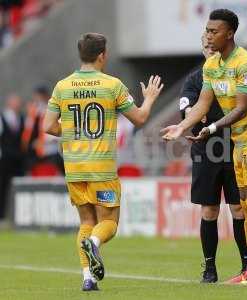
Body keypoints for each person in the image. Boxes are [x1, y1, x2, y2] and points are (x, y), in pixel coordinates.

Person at [162, 9, 247, 284]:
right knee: (245, 203)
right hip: (240, 139)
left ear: (230, 33)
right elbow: (202, 104)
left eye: (214, 31)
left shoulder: (245, 63)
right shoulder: (212, 66)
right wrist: (182, 127)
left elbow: (242, 109)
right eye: (207, 31)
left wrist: (211, 128)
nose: (208, 36)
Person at [43, 32, 164, 291]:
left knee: (86, 222)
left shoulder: (62, 86)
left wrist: (77, 131)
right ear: (102, 55)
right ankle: (95, 244)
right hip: (102, 170)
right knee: (108, 223)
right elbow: (140, 119)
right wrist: (151, 97)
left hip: (74, 168)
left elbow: (49, 126)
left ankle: (88, 278)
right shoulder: (112, 85)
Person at [179, 34, 247, 283]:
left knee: (239, 208)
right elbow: (186, 106)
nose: (210, 49)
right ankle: (210, 268)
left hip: (235, 147)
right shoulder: (196, 78)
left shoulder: (235, 72)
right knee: (209, 210)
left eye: (213, 45)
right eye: (206, 46)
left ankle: (246, 266)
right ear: (202, 49)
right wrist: (190, 113)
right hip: (206, 150)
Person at [0, 94, 25, 221]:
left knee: (19, 187)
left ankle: (17, 216)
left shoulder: (22, 118)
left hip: (19, 159)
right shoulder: (2, 117)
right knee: (2, 187)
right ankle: (2, 216)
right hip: (4, 159)